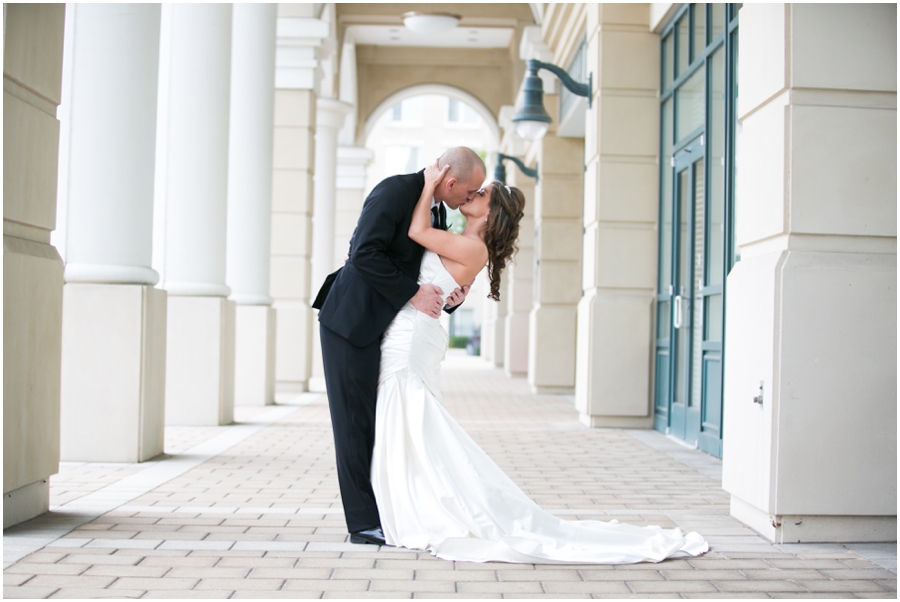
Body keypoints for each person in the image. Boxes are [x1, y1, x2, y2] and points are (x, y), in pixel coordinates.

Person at [369, 160, 710, 563]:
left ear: (491, 214)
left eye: (482, 196)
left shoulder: (471, 247)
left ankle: (422, 503)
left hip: (412, 339)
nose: (473, 195)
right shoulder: (463, 242)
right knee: (412, 420)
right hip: (415, 332)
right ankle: (412, 496)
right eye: (475, 191)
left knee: (411, 417)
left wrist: (427, 184)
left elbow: (416, 232)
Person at [313, 147, 487, 546]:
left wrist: (451, 293)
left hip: (388, 330)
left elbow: (428, 269)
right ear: (451, 181)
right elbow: (363, 254)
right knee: (354, 425)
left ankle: (388, 509)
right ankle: (362, 524)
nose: (469, 199)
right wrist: (413, 293)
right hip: (350, 323)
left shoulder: (437, 208)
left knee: (379, 423)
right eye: (470, 191)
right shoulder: (393, 191)